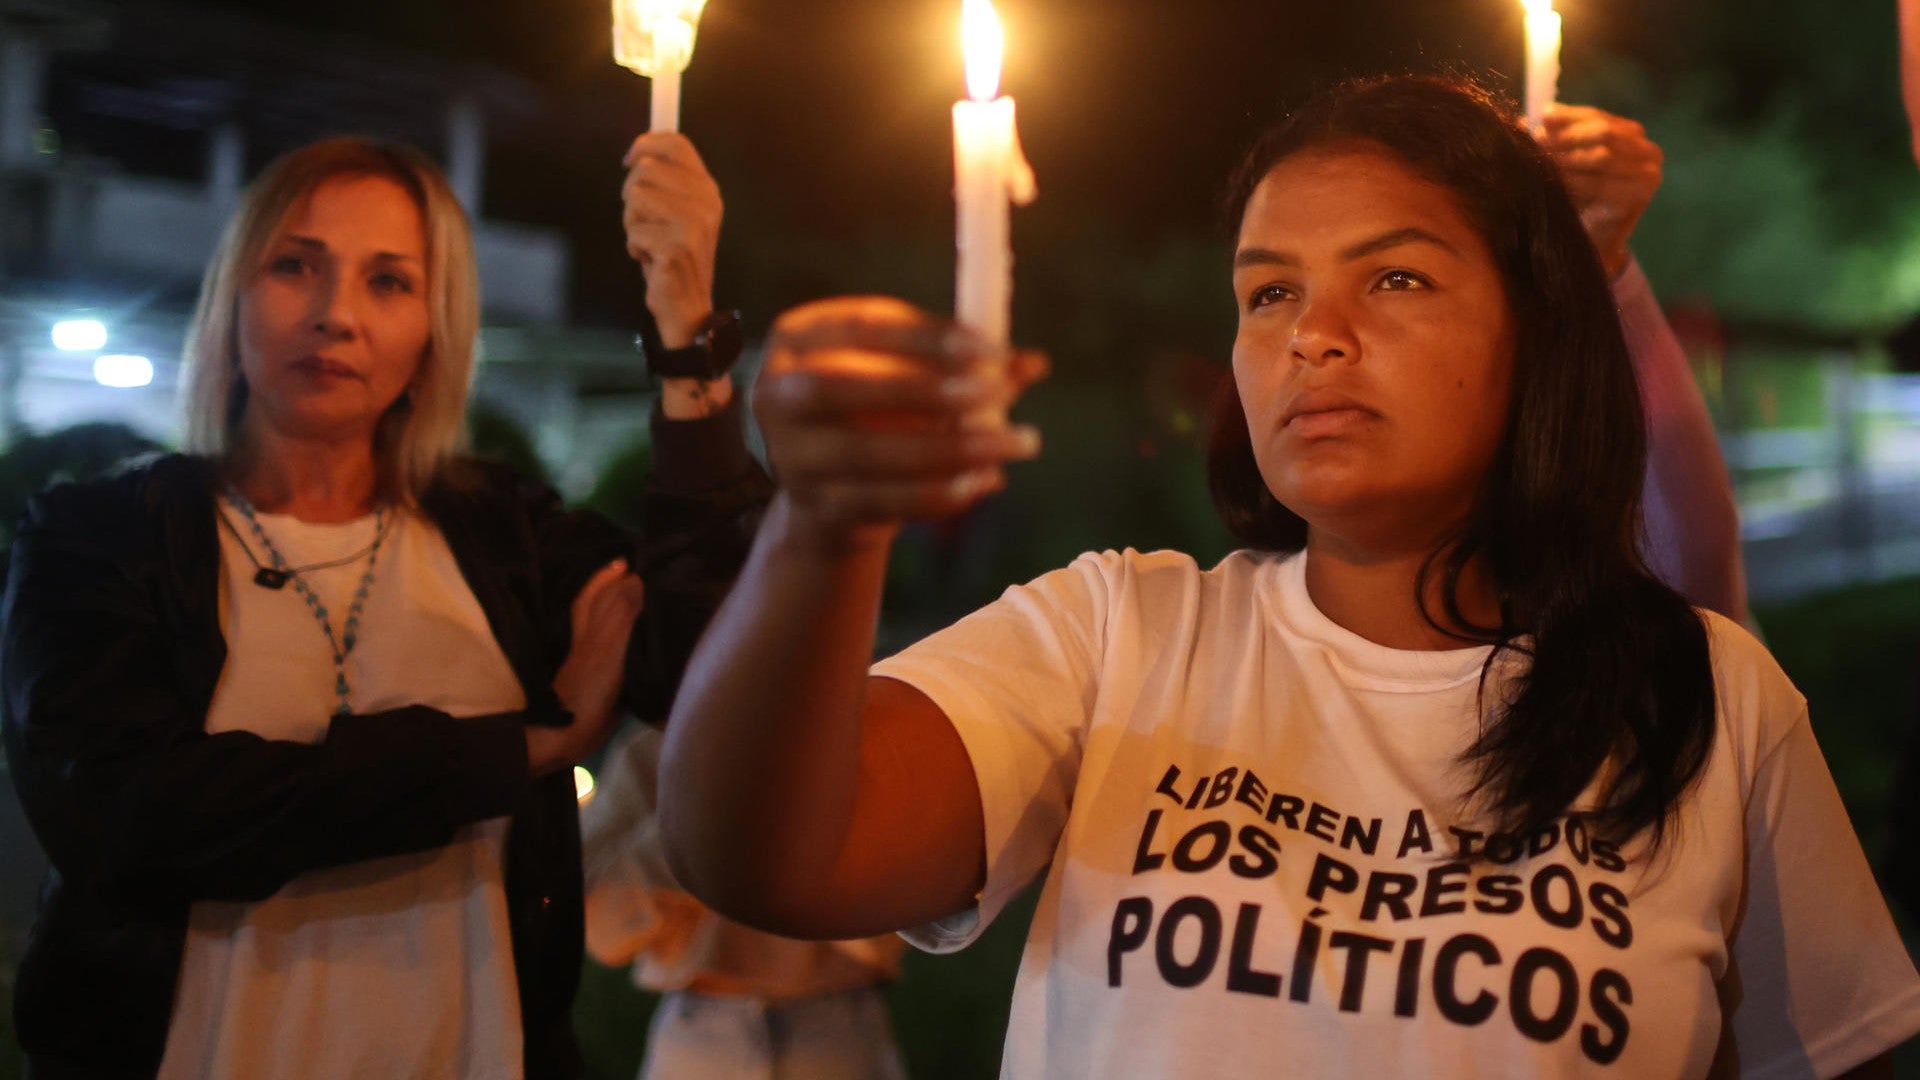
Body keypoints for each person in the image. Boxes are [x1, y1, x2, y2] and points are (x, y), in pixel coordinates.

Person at [657, 76, 1920, 1078]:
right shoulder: (1119, 631)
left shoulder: (1708, 699)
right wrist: (821, 532)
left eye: (1398, 277)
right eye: (1269, 292)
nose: (1312, 332)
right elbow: (767, 855)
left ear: (1541, 335)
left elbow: (1839, 1053)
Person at [0, 134, 767, 1078]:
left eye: (389, 282)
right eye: (294, 266)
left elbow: (722, 662)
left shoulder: (507, 538)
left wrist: (688, 335)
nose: (335, 315)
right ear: (234, 292)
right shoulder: (101, 538)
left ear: (435, 328)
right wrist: (516, 750)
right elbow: (132, 817)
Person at [582, 132, 909, 1080]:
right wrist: (709, 821)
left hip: (838, 1025)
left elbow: (917, 893)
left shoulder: (868, 699)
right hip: (706, 1033)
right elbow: (601, 915)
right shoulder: (661, 745)